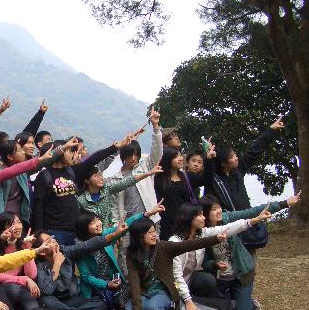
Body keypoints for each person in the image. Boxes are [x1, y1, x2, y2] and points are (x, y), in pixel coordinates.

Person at [200, 193, 301, 310]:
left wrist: (285, 203)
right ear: (205, 213)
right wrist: (215, 264)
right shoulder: (201, 232)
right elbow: (204, 262)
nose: (219, 211)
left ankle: (248, 302)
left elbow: (252, 212)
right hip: (221, 278)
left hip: (241, 274)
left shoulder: (227, 218)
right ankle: (233, 298)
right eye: (214, 209)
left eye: (219, 207)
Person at [168, 202, 271, 310]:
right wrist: (188, 301)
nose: (203, 218)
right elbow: (176, 277)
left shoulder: (201, 234)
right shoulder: (175, 242)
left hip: (192, 279)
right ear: (189, 218)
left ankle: (244, 302)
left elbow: (229, 228)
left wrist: (256, 220)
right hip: (175, 284)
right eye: (200, 215)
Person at [125, 218, 227, 310]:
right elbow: (134, 282)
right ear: (139, 236)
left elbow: (189, 245)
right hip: (144, 292)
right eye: (150, 232)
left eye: (154, 231)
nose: (154, 235)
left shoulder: (163, 247)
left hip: (162, 291)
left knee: (153, 308)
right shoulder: (132, 254)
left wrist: (215, 239)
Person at [31, 134, 129, 245]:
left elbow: (92, 160)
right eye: (70, 151)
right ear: (59, 152)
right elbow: (38, 206)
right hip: (54, 230)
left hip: (74, 229)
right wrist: (39, 232)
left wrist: (115, 148)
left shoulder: (71, 171)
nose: (73, 155)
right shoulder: (44, 176)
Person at [75, 201, 165, 309]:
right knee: (100, 307)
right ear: (84, 228)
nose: (98, 223)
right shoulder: (80, 249)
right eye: (92, 223)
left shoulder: (105, 236)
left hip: (115, 285)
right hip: (94, 291)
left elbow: (125, 226)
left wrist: (146, 214)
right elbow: (86, 277)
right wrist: (106, 284)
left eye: (98, 219)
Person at [109, 107, 163, 273]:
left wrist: (156, 128)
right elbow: (114, 206)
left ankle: (151, 280)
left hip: (150, 218)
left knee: (153, 252)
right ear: (123, 156)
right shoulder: (116, 178)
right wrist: (116, 227)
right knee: (126, 255)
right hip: (128, 223)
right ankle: (128, 282)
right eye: (129, 155)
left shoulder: (145, 166)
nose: (133, 158)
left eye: (136, 155)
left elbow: (157, 152)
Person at [32, 225, 127, 310]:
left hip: (72, 297)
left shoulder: (64, 251)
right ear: (42, 251)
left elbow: (86, 246)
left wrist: (114, 234)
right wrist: (57, 264)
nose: (54, 241)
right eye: (48, 241)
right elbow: (47, 290)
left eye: (52, 238)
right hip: (55, 300)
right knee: (46, 301)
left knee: (102, 303)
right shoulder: (38, 265)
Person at [206, 116, 285, 212]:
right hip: (227, 220)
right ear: (223, 163)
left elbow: (254, 150)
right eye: (231, 157)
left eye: (235, 155)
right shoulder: (213, 179)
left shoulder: (238, 170)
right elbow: (203, 170)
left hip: (248, 218)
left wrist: (271, 130)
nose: (236, 158)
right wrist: (208, 156)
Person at [0, 212, 40, 310]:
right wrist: (24, 279)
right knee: (14, 289)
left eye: (18, 222)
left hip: (19, 286)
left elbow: (32, 275)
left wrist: (27, 248)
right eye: (11, 224)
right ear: (2, 229)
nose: (17, 227)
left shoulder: (21, 244)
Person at [154, 146, 214, 240]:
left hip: (185, 222)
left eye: (180, 155)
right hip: (166, 223)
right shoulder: (159, 179)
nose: (180, 158)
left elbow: (207, 180)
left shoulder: (186, 176)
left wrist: (209, 160)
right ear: (167, 159)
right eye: (176, 157)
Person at [77, 164, 162, 227]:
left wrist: (148, 173)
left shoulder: (106, 189)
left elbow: (127, 182)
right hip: (91, 237)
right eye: (96, 176)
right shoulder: (81, 200)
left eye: (100, 175)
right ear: (87, 181)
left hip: (108, 233)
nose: (100, 178)